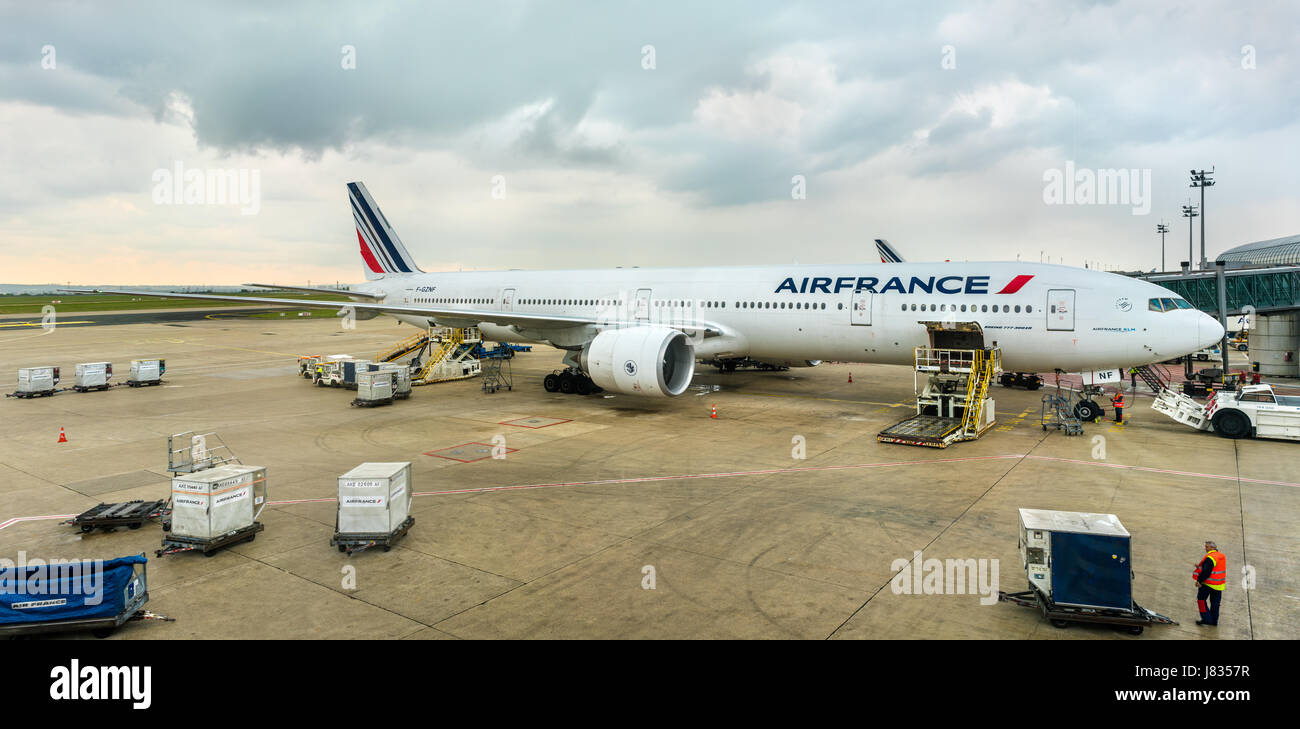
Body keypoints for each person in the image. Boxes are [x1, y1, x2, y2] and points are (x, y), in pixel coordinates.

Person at [1192, 541, 1227, 626]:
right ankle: (1214, 621)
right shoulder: (1221, 555)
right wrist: (1200, 567)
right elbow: (1215, 569)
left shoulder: (1210, 557)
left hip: (1207, 584)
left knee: (1201, 600)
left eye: (1207, 547)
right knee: (1215, 604)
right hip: (1219, 586)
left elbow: (1207, 572)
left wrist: (1199, 581)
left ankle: (1206, 619)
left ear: (1212, 548)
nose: (1205, 548)